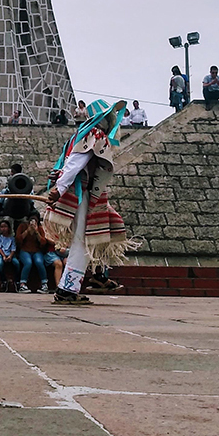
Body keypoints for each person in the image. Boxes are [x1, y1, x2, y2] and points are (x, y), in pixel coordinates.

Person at [44, 99, 136, 306]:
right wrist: (60, 188)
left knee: (92, 237)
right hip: (80, 193)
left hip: (79, 192)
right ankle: (68, 289)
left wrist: (59, 187)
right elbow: (76, 162)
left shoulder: (83, 134)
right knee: (83, 241)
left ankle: (88, 279)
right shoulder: (94, 135)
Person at [15, 212, 50, 294]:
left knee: (39, 262)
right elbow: (18, 239)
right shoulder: (22, 226)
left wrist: (36, 232)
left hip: (36, 251)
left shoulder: (40, 228)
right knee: (28, 263)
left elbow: (43, 242)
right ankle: (23, 284)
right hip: (25, 250)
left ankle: (44, 284)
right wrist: (27, 231)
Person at [0, 220, 19, 291]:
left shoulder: (12, 238)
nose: (3, 229)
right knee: (0, 264)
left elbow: (13, 248)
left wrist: (10, 256)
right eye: (2, 227)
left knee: (17, 263)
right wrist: (4, 256)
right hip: (1, 254)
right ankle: (4, 281)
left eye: (5, 227)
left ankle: (16, 281)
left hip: (10, 254)